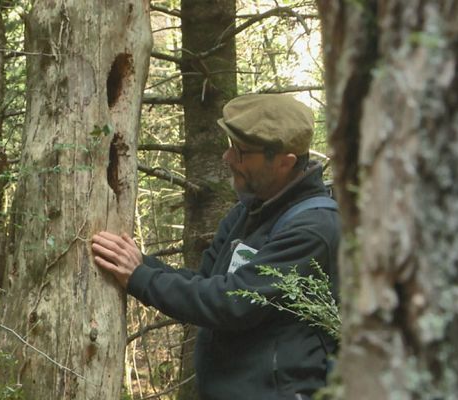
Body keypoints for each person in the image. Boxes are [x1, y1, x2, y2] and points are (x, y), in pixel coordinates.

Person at [91, 94, 340, 400]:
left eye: (241, 151)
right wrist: (138, 263)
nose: (228, 157)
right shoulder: (249, 212)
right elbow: (206, 282)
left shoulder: (314, 229)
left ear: (284, 163)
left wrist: (141, 277)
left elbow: (229, 304)